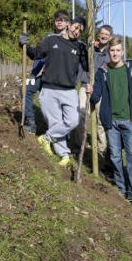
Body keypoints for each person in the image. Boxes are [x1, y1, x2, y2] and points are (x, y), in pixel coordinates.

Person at [19, 16, 90, 167]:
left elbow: (87, 67)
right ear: (69, 25)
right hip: (49, 89)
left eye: (80, 31)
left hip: (69, 90)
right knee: (56, 122)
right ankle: (63, 154)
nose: (76, 32)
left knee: (73, 120)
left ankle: (46, 138)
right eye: (75, 27)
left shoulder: (80, 47)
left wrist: (89, 52)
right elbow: (36, 54)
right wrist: (25, 44)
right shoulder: (52, 40)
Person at [90, 37, 132, 208]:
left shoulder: (130, 69)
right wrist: (90, 91)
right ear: (108, 52)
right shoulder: (103, 72)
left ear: (122, 52)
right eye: (112, 50)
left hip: (130, 121)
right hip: (111, 122)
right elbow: (96, 96)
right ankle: (121, 189)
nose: (114, 53)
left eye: (117, 50)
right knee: (114, 156)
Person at [23, 10, 70, 134]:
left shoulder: (70, 40)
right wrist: (25, 47)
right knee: (27, 89)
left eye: (62, 20)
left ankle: (63, 135)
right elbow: (37, 54)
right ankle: (31, 121)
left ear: (67, 23)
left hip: (59, 80)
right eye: (57, 20)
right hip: (42, 75)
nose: (59, 22)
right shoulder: (49, 38)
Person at [78, 24, 113, 160]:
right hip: (86, 86)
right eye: (102, 33)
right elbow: (80, 56)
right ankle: (79, 145)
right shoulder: (90, 48)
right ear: (99, 34)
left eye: (107, 34)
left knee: (101, 121)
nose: (104, 36)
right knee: (80, 115)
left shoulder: (111, 53)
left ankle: (101, 150)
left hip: (102, 91)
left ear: (110, 37)